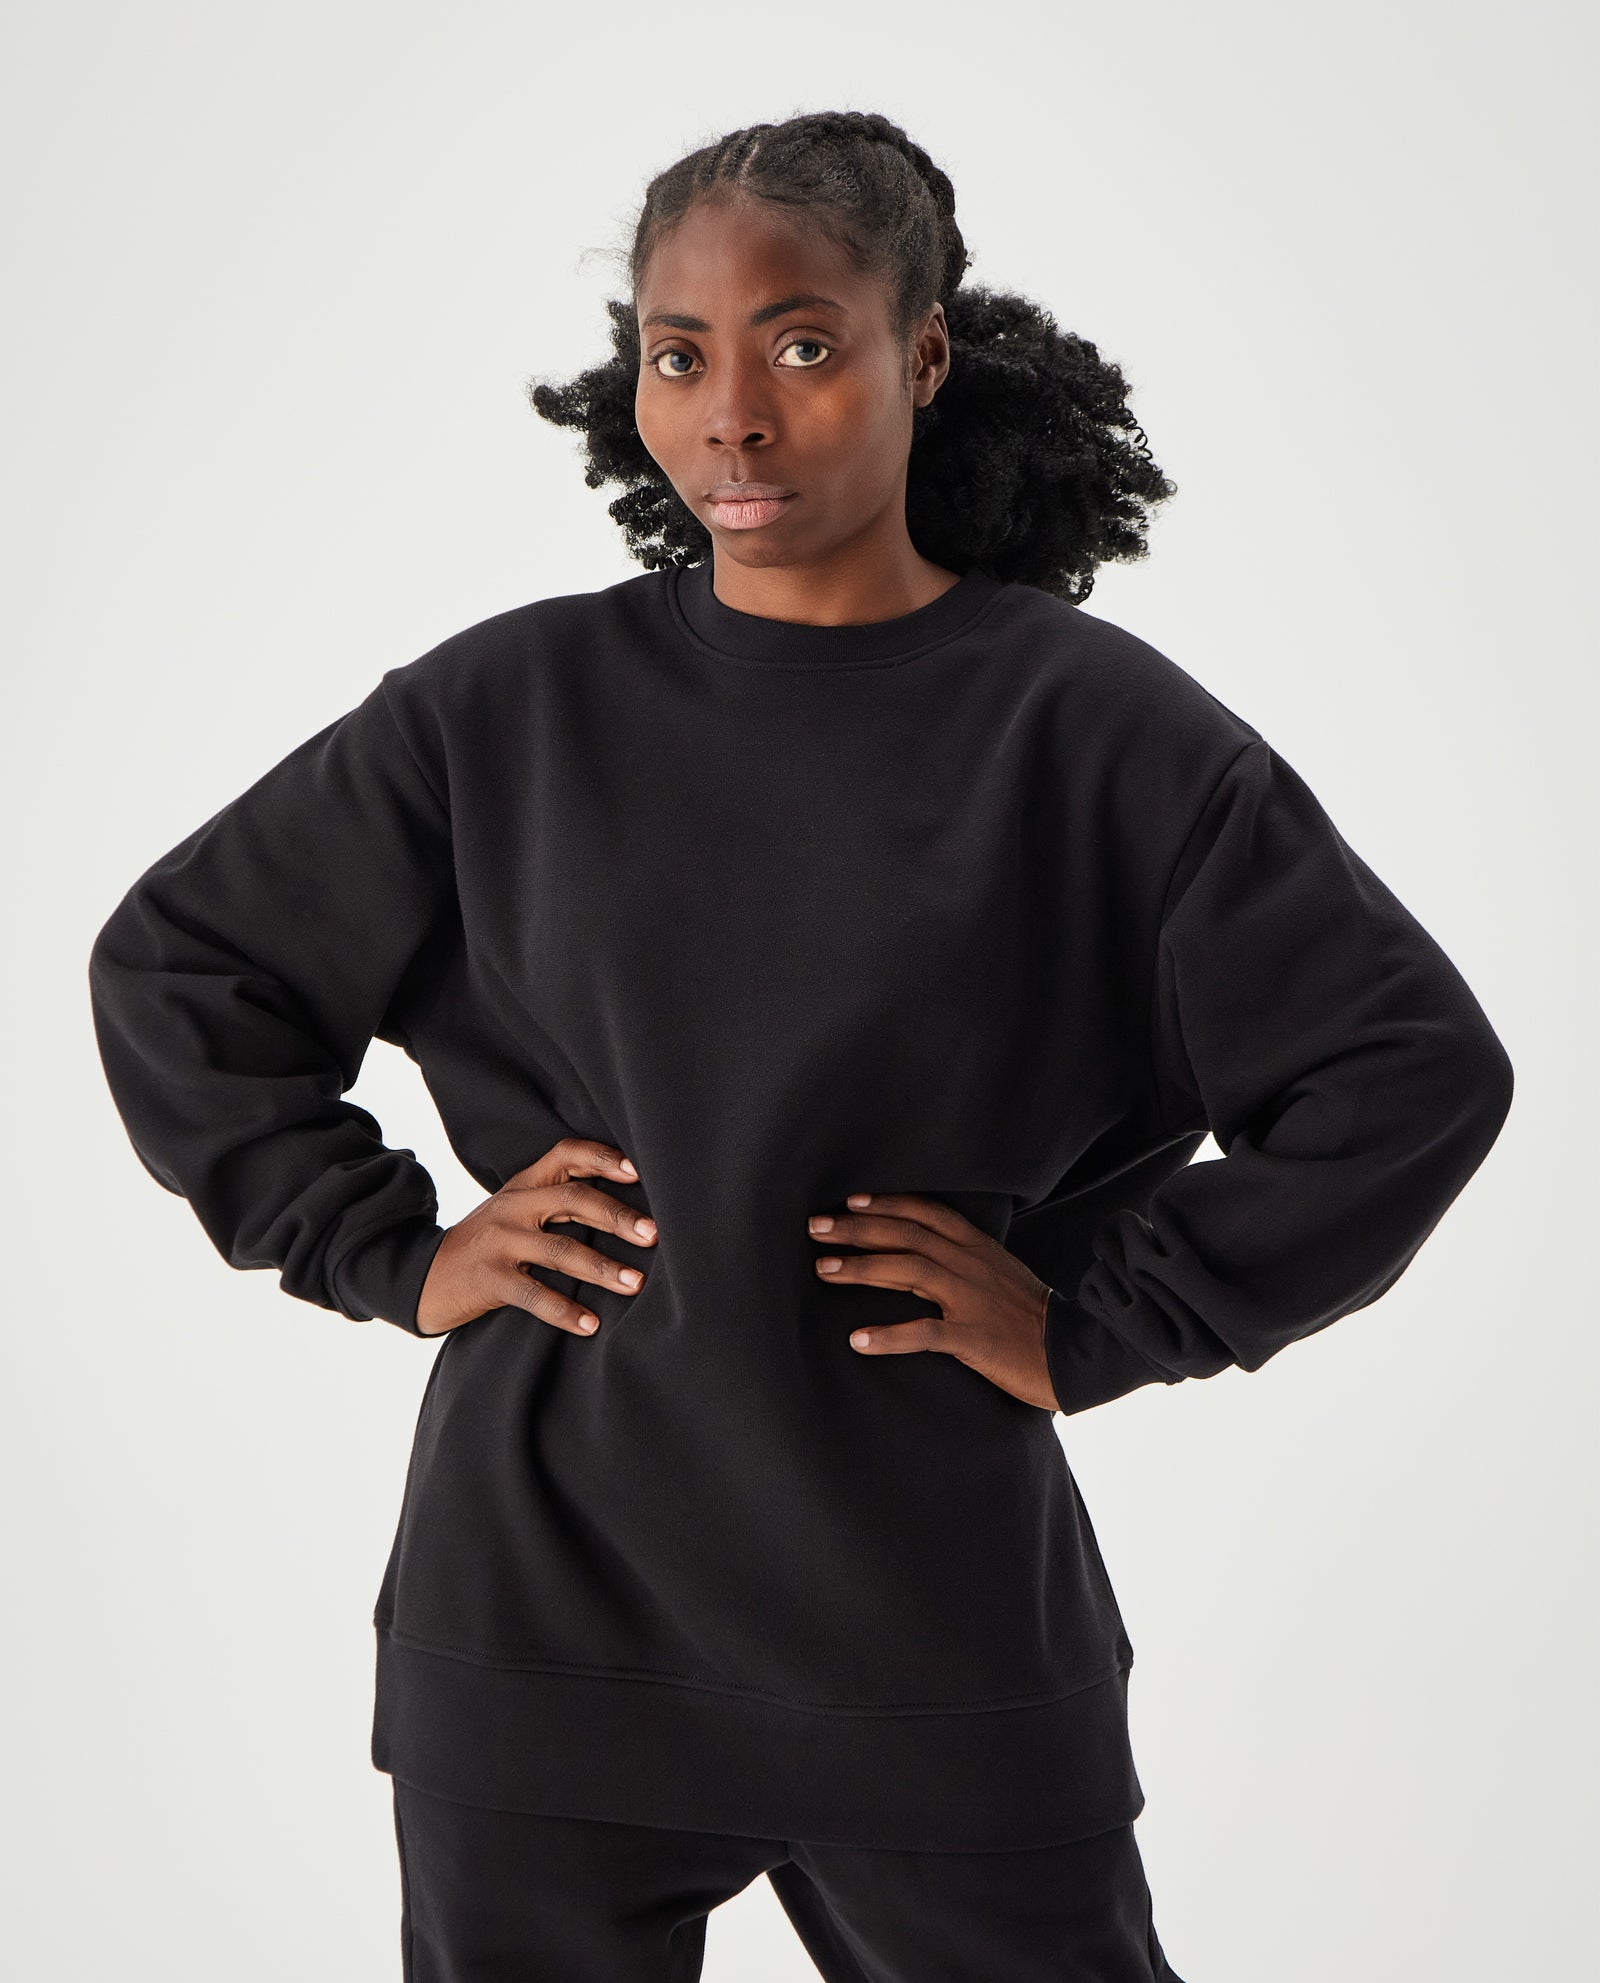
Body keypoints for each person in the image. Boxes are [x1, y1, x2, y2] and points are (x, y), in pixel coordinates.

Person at [87, 109, 1514, 1981]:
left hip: (936, 1639)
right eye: (679, 356)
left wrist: (1098, 1320)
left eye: (805, 344)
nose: (734, 417)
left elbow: (1408, 1070)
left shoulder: (1095, 735)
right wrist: (386, 1249)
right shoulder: (504, 708)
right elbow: (182, 967)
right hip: (542, 1634)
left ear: (925, 354)